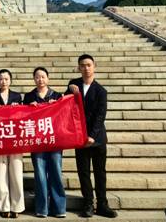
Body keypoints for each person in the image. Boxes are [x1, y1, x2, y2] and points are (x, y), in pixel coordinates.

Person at [66, 54, 117, 218]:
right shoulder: (74, 85)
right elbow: (64, 103)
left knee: (100, 172)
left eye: (89, 65)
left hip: (97, 139)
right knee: (83, 172)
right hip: (80, 138)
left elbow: (101, 116)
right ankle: (88, 203)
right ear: (78, 68)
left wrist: (92, 136)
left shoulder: (101, 91)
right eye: (82, 65)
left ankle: (102, 204)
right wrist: (69, 89)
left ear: (94, 66)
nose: (86, 68)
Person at [23, 67, 66, 218]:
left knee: (56, 172)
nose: (40, 79)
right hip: (37, 140)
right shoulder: (29, 96)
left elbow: (63, 116)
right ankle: (42, 209)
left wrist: (57, 105)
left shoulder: (57, 95)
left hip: (55, 140)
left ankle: (59, 208)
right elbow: (23, 117)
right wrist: (29, 108)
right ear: (34, 79)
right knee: (40, 174)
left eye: (43, 76)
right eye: (37, 77)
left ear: (48, 78)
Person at [0, 69, 24, 219]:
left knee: (16, 172)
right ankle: (3, 206)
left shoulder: (17, 96)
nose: (4, 81)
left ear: (10, 80)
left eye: (6, 79)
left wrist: (17, 107)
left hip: (14, 138)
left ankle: (17, 206)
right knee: (0, 173)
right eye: (1, 79)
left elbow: (23, 115)